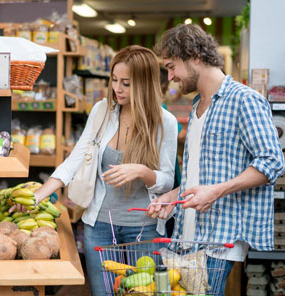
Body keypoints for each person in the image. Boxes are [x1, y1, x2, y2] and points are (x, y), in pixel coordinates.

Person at [148, 24, 285, 295]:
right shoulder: (197, 105)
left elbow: (272, 161)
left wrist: (216, 192)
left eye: (172, 66)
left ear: (195, 56)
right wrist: (172, 196)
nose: (170, 76)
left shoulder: (244, 100)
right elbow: (201, 176)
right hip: (189, 233)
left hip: (220, 236)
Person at [31, 45, 178, 295]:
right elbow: (75, 159)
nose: (117, 89)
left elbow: (167, 181)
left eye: (126, 83)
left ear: (144, 84)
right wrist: (38, 195)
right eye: (114, 80)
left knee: (141, 292)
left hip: (143, 228)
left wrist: (141, 171)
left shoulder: (165, 123)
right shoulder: (102, 111)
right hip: (98, 226)